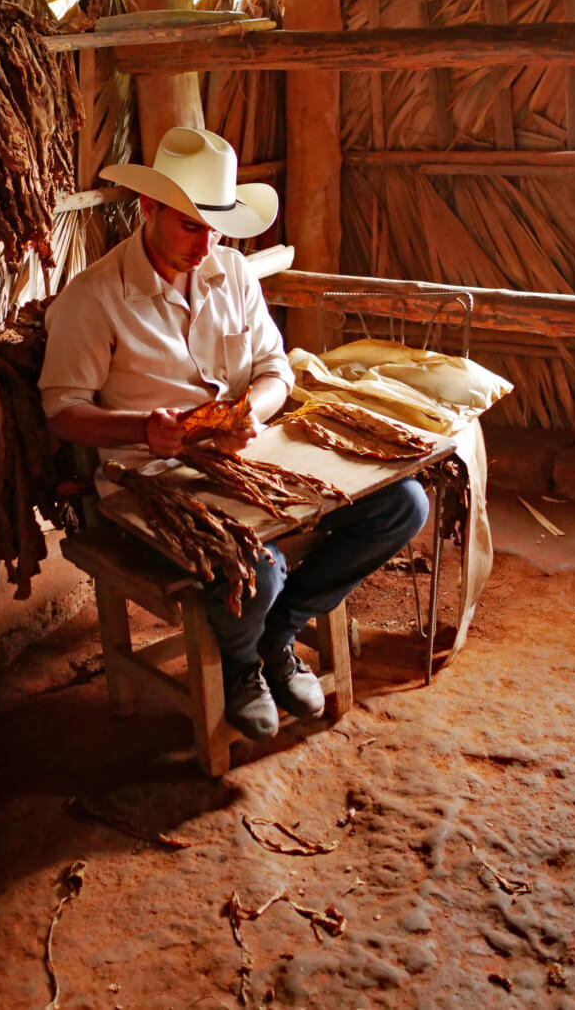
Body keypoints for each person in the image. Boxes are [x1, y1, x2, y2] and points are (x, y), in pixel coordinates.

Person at [39, 127, 428, 742]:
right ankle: (245, 664)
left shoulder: (233, 275)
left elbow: (276, 369)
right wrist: (144, 430)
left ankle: (278, 634)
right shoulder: (96, 298)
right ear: (148, 209)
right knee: (260, 568)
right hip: (155, 480)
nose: (207, 243)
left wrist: (256, 407)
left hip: (250, 460)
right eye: (191, 225)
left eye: (216, 226)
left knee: (402, 505)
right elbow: (61, 411)